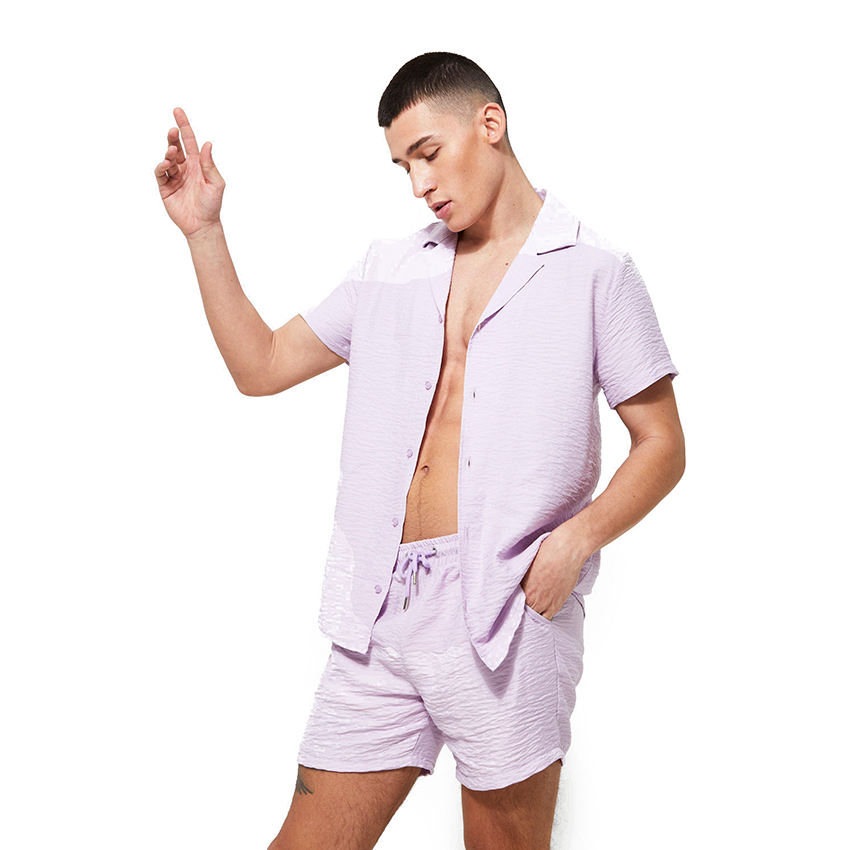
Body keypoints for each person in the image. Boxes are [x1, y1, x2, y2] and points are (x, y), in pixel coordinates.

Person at [155, 51, 685, 850]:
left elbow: (662, 444)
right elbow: (260, 366)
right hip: (379, 612)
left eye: (428, 154)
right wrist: (204, 232)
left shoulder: (594, 272)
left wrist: (575, 541)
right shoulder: (390, 269)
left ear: (490, 124)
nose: (419, 184)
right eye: (404, 167)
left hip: (506, 611)